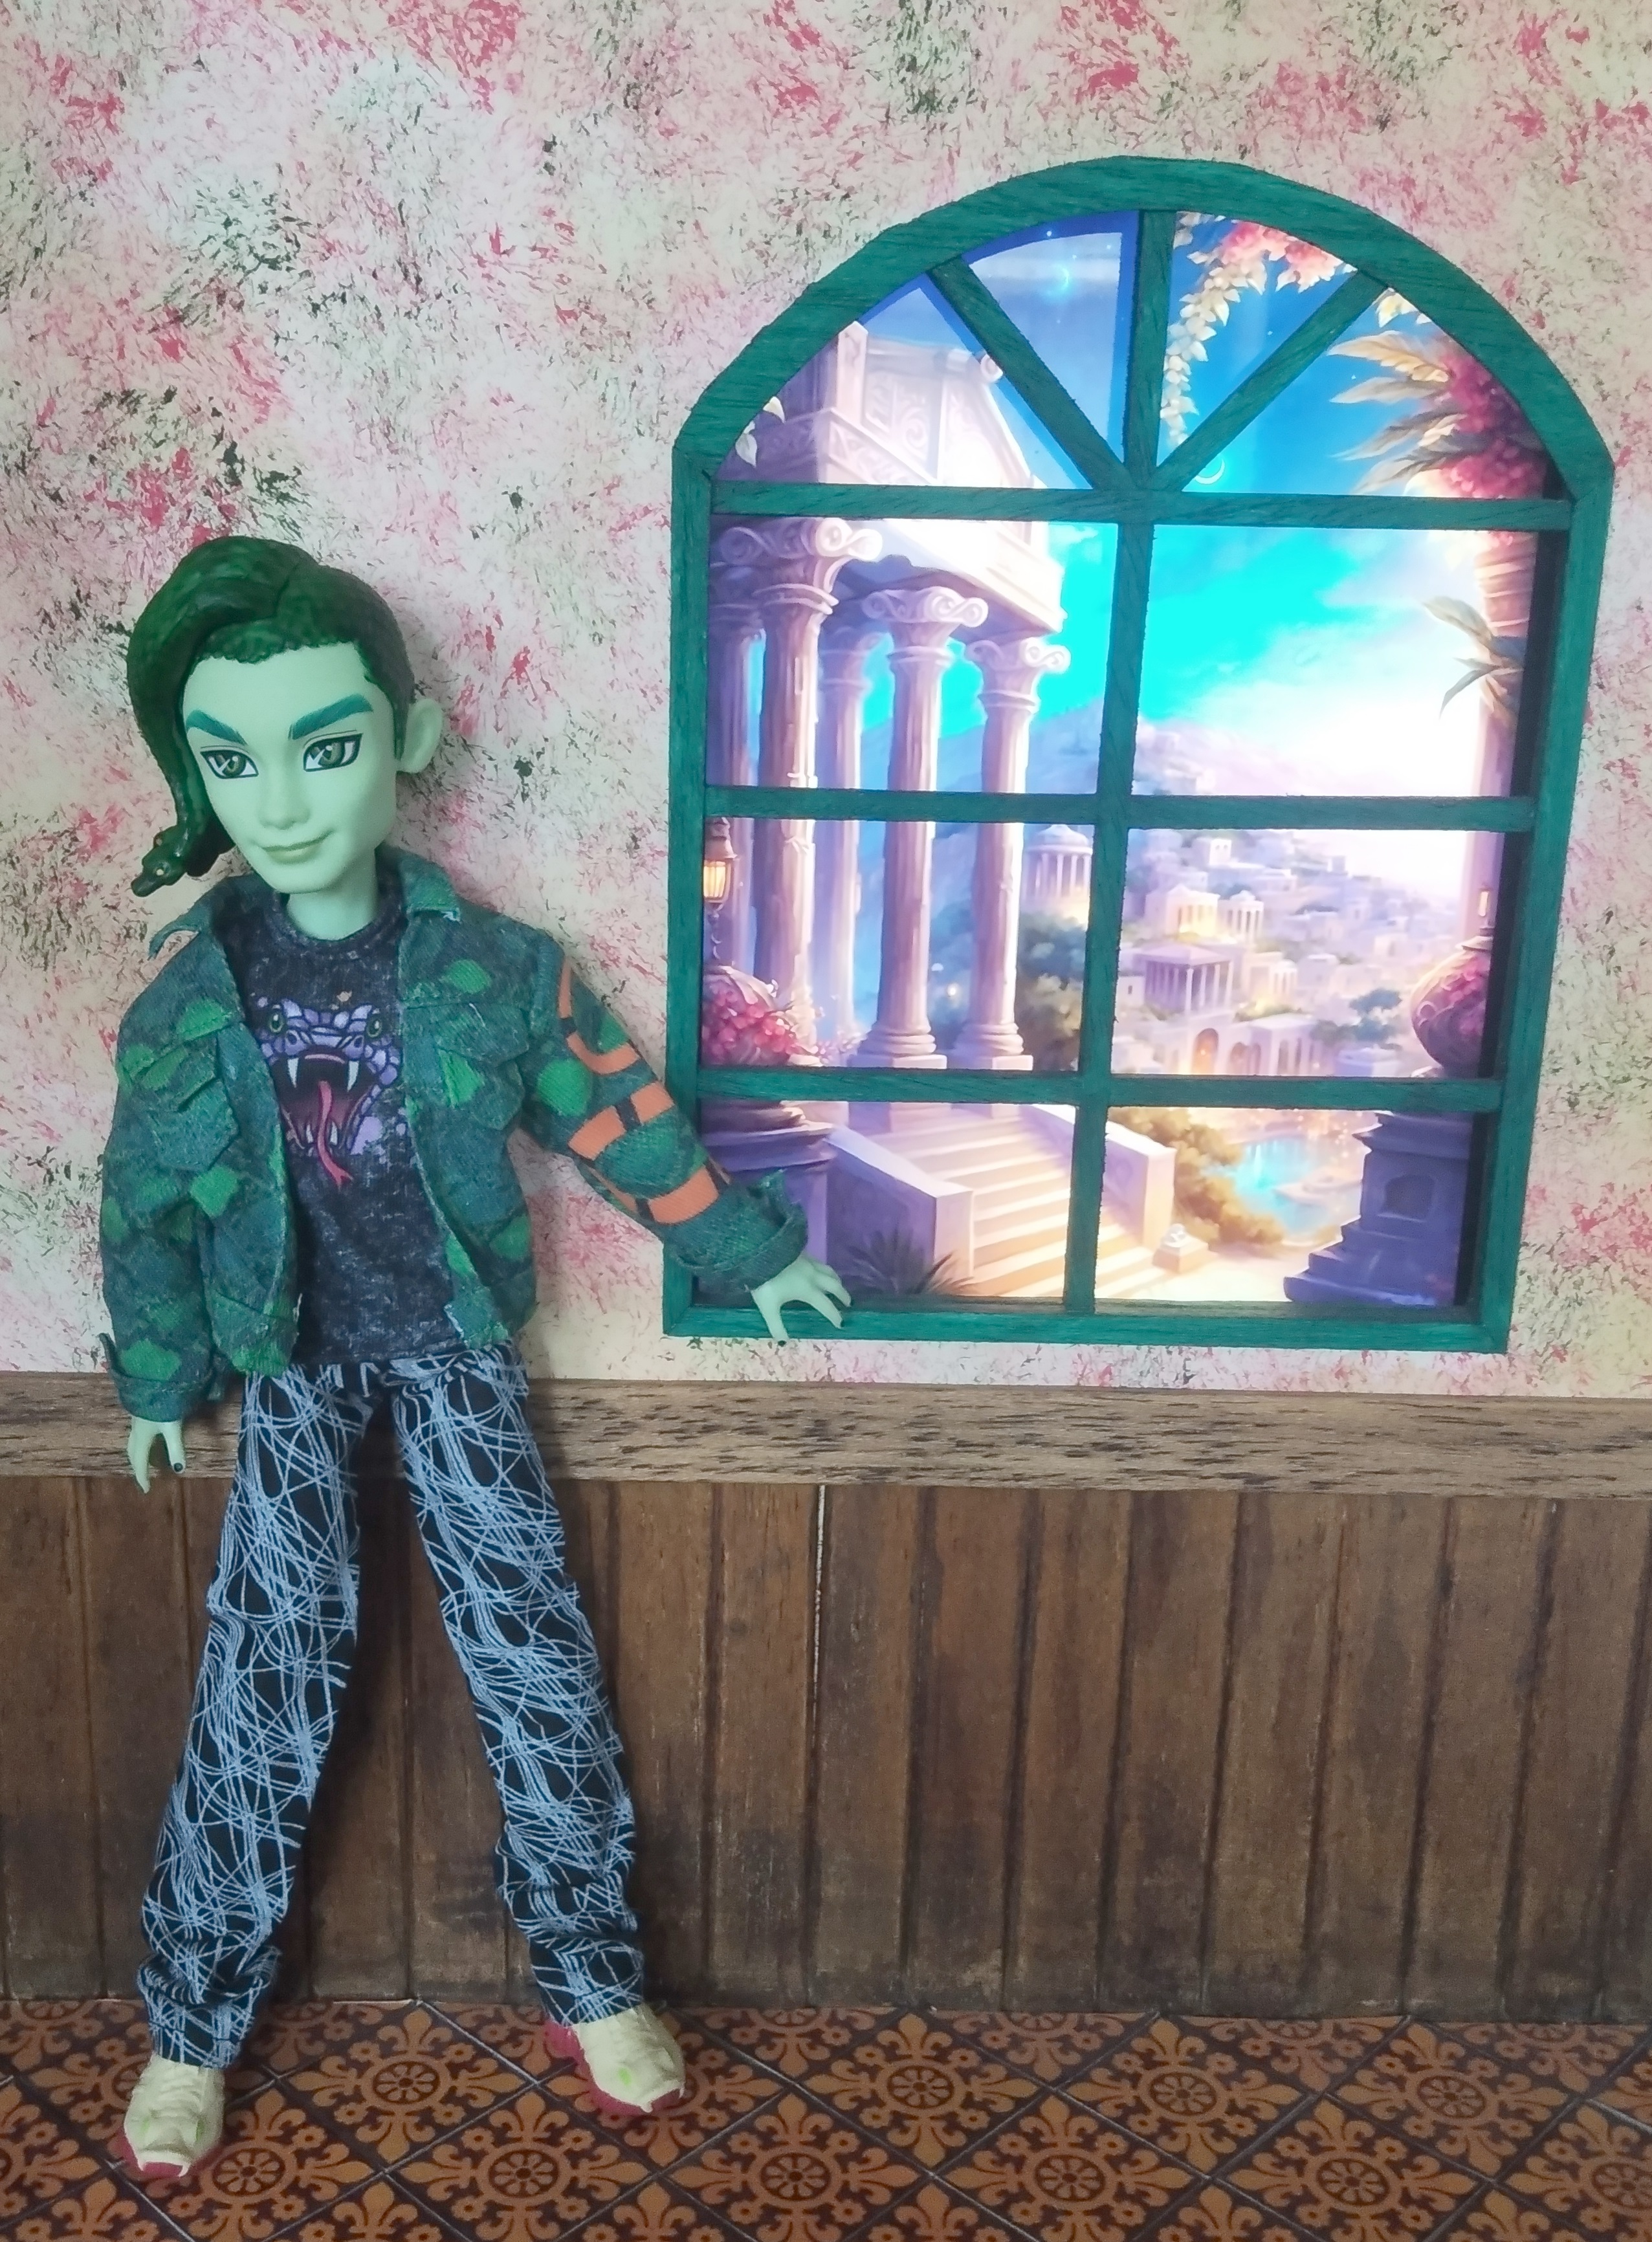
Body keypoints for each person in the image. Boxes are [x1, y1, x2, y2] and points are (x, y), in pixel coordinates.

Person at [100, 536, 848, 2179]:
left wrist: (750, 1252)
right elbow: (142, 1207)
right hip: (288, 1365)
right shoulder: (186, 1008)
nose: (282, 802)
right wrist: (156, 1381)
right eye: (231, 759)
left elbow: (617, 1114)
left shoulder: (492, 971)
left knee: (532, 1656)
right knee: (260, 1682)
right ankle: (190, 2020)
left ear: (409, 739)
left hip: (450, 1349)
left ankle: (590, 1975)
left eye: (325, 746)